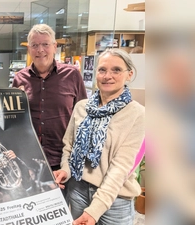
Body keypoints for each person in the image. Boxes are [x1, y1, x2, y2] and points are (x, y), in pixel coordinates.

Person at [54, 48, 145, 225]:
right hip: (78, 189)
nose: (107, 76)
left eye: (116, 70)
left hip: (116, 198)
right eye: (102, 70)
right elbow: (69, 147)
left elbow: (121, 167)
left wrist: (96, 209)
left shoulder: (138, 114)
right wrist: (66, 169)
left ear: (129, 74)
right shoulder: (82, 107)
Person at [12, 24, 87, 199]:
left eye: (45, 44)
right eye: (35, 45)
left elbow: (83, 116)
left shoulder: (73, 75)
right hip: (29, 160)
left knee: (61, 210)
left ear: (54, 47)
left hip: (63, 161)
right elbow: (14, 119)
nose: (40, 50)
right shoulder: (19, 79)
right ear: (29, 49)